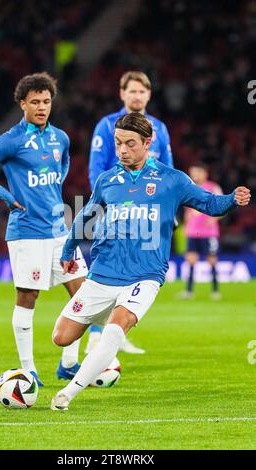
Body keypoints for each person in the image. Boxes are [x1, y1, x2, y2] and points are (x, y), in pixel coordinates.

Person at [50, 112, 250, 410]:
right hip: (104, 272)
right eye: (118, 143)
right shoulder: (108, 180)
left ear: (147, 143)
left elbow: (209, 204)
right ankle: (108, 327)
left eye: (130, 144)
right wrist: (68, 251)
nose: (122, 151)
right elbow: (86, 216)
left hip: (145, 273)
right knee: (61, 337)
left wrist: (233, 198)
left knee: (116, 329)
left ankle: (69, 393)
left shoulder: (172, 180)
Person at [0, 72, 88, 386]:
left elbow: (64, 163)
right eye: (35, 102)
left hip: (60, 232)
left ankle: (69, 362)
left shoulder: (60, 138)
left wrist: (56, 192)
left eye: (46, 101)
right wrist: (7, 195)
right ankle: (28, 369)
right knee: (28, 296)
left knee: (84, 292)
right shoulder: (11, 140)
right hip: (27, 233)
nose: (42, 107)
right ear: (22, 104)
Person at [87, 70, 174, 354]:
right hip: (116, 210)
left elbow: (168, 172)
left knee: (137, 275)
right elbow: (96, 168)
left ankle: (116, 333)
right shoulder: (107, 125)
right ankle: (95, 336)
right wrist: (102, 205)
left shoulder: (159, 128)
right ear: (122, 94)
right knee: (107, 273)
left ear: (149, 95)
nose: (137, 96)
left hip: (147, 215)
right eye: (131, 91)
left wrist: (169, 209)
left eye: (142, 91)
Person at [180, 163, 223, 300]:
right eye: (192, 172)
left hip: (208, 232)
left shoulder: (213, 187)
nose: (194, 175)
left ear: (205, 173)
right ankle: (189, 291)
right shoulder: (190, 187)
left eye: (196, 172)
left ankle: (215, 290)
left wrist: (215, 219)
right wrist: (186, 226)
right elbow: (188, 210)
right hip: (193, 232)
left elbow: (224, 205)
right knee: (191, 260)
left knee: (211, 260)